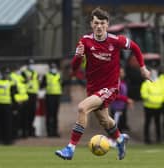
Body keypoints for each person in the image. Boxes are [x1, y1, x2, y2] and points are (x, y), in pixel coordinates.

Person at [55, 7, 151, 160]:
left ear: (107, 24)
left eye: (102, 23)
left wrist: (143, 68)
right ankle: (120, 139)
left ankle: (70, 148)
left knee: (82, 108)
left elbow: (135, 47)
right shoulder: (85, 41)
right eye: (96, 23)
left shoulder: (116, 40)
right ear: (92, 25)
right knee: (104, 120)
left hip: (110, 87)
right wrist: (78, 57)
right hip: (93, 87)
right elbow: (74, 68)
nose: (99, 26)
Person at [140, 68, 163, 144]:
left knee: (157, 123)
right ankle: (147, 139)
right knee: (148, 122)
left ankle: (158, 138)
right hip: (148, 106)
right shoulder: (146, 83)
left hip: (158, 106)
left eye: (155, 72)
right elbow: (144, 93)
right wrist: (150, 99)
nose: (154, 73)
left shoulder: (160, 81)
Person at [41, 63, 62, 137]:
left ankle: (55, 132)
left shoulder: (59, 75)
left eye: (54, 67)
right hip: (49, 96)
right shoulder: (46, 76)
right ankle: (49, 132)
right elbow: (42, 85)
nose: (53, 68)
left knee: (55, 115)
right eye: (52, 67)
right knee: (49, 114)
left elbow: (61, 85)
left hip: (57, 96)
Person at [110, 67, 134, 131]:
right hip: (116, 108)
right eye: (121, 72)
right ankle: (113, 139)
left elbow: (124, 93)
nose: (123, 74)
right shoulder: (116, 82)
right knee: (115, 127)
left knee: (120, 126)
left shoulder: (123, 82)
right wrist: (127, 100)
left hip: (121, 107)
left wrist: (127, 102)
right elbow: (115, 95)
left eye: (123, 72)